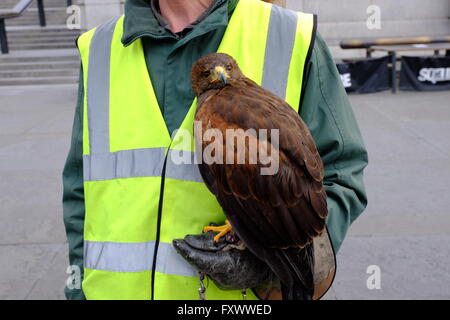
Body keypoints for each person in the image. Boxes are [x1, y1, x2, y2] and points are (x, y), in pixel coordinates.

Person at [63, 0, 368, 300]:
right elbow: (80, 193)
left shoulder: (291, 35)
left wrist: (272, 262)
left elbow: (340, 176)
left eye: (225, 70)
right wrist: (78, 291)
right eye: (210, 75)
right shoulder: (99, 47)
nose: (220, 77)